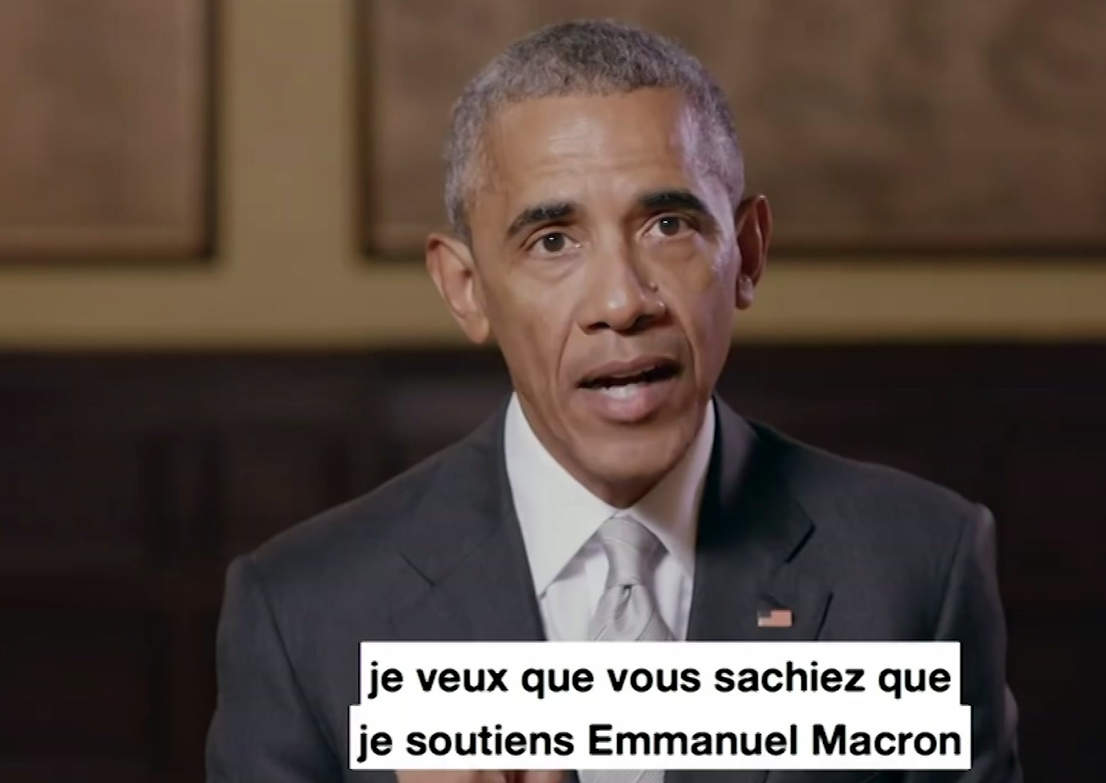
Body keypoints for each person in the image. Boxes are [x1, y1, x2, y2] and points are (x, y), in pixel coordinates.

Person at [206, 19, 1022, 783]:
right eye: (553, 241)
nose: (623, 302)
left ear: (747, 254)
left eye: (668, 225)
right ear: (466, 288)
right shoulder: (302, 611)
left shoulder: (916, 568)